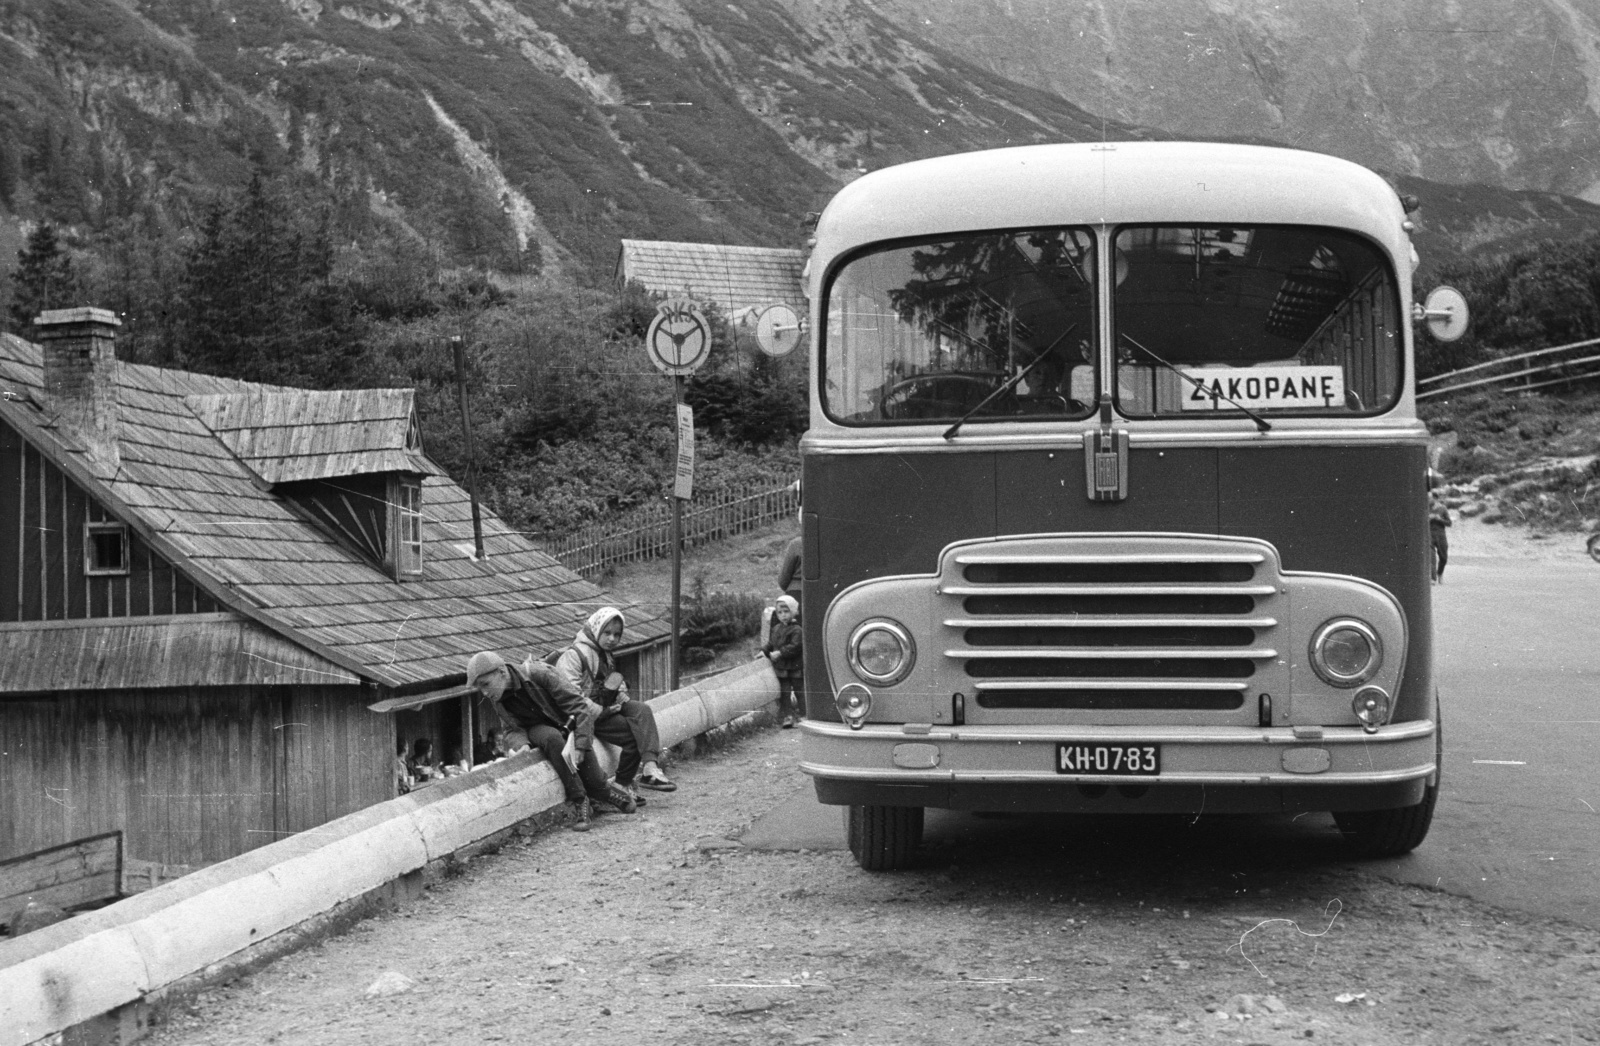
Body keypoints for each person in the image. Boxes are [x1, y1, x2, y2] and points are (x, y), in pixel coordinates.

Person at [467, 650, 637, 832]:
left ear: (501, 672)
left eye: (485, 684)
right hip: (538, 731)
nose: (484, 693)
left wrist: (580, 745)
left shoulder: (540, 674)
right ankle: (580, 800)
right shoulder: (497, 696)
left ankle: (605, 792)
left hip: (567, 725)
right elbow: (511, 729)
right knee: (552, 738)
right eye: (480, 688)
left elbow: (579, 707)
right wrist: (522, 744)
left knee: (594, 780)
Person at [555, 607, 677, 796]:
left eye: (617, 634)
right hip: (583, 716)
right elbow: (569, 697)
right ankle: (622, 784)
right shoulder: (574, 655)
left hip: (605, 708)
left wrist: (620, 694)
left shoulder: (604, 654)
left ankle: (650, 768)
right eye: (607, 633)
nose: (612, 639)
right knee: (633, 734)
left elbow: (609, 682)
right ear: (596, 629)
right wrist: (602, 709)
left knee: (642, 709)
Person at [762, 595, 804, 727]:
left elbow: (795, 646)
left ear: (793, 612)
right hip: (782, 668)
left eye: (786, 612)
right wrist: (764, 651)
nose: (783, 615)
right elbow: (771, 643)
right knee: (785, 692)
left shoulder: (797, 629)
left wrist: (780, 653)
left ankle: (805, 714)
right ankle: (788, 716)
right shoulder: (776, 629)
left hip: (794, 666)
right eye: (780, 612)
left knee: (799, 691)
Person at [1429, 492, 1452, 582]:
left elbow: (1449, 523)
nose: (1427, 500)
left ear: (1435, 498)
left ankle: (1440, 573)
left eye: (1429, 498)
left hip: (1441, 534)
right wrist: (1428, 518)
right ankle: (1433, 578)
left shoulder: (1443, 508)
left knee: (1444, 557)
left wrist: (1440, 519)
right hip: (1429, 533)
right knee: (1431, 557)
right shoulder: (1425, 509)